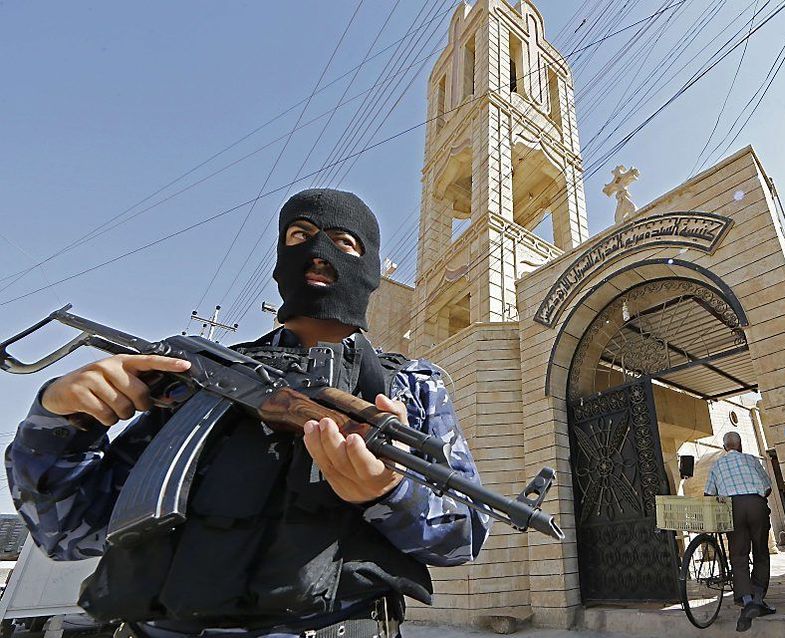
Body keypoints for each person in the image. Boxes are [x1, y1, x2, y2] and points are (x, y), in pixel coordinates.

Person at [4, 189, 491, 638]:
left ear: (371, 269)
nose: (318, 253)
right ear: (280, 257)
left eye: (343, 242)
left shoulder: (408, 385)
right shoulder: (201, 375)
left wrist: (390, 493)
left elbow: (463, 536)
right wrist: (61, 423)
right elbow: (69, 532)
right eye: (300, 236)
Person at [703, 431, 774, 633]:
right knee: (761, 551)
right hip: (755, 503)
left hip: (732, 508)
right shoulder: (751, 460)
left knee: (739, 555)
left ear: (725, 448)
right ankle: (759, 598)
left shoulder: (717, 465)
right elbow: (767, 487)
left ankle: (747, 600)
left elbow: (708, 494)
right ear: (740, 445)